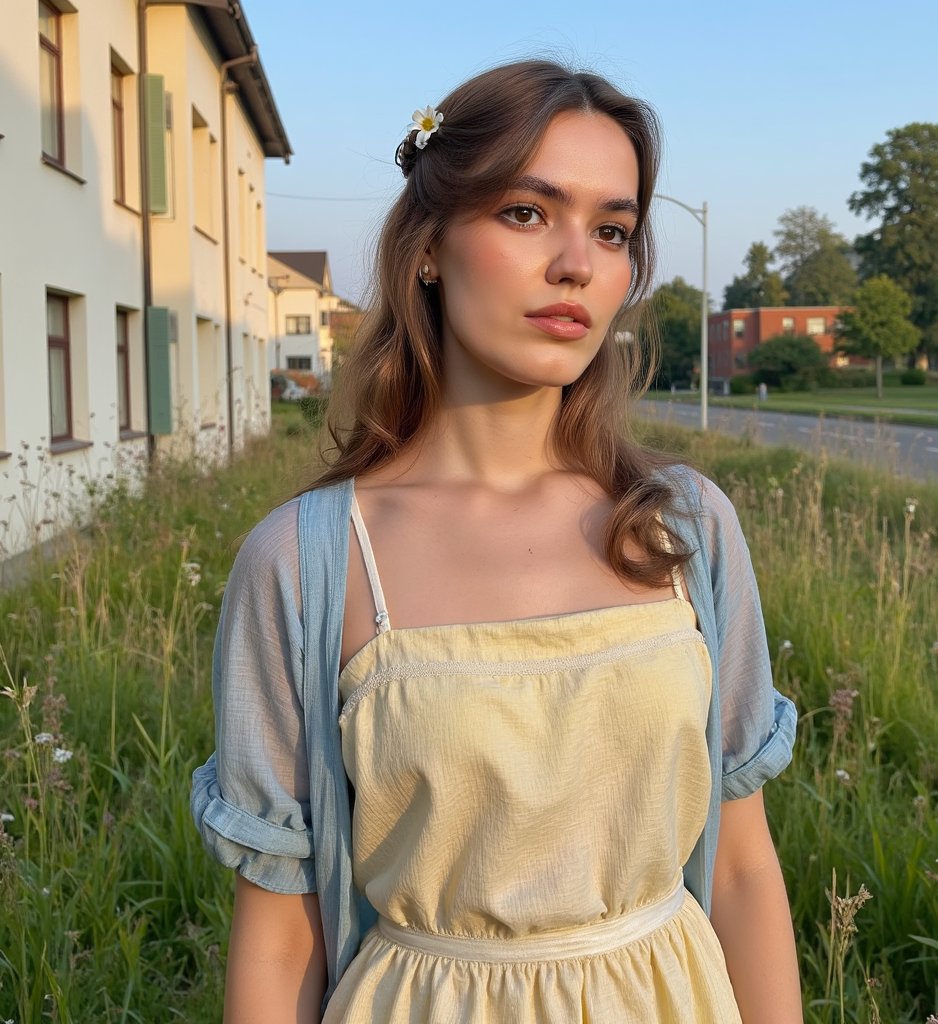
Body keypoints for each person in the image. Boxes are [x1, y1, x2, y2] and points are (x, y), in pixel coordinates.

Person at [191, 59, 802, 1023]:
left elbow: (740, 869)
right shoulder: (308, 563)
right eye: (527, 212)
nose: (577, 264)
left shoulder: (684, 526)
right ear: (428, 246)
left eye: (612, 229)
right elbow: (277, 939)